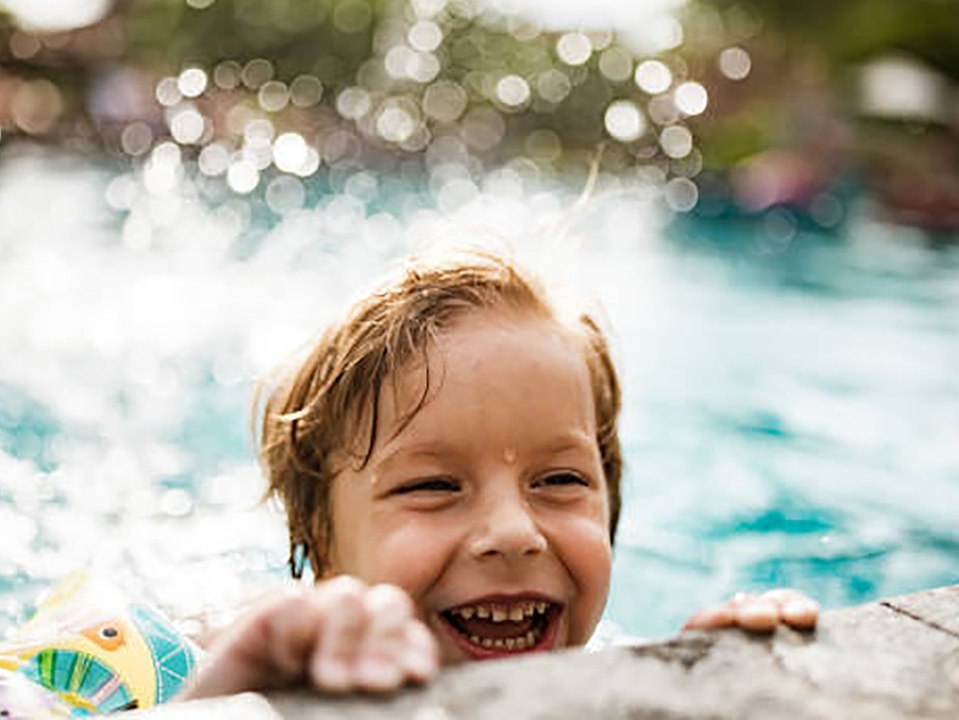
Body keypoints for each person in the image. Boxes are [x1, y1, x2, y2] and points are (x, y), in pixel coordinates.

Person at [180, 249, 819, 701]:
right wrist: (230, 699)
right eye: (432, 486)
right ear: (322, 547)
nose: (515, 533)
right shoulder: (223, 669)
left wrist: (708, 680)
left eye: (560, 481)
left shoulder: (609, 669)